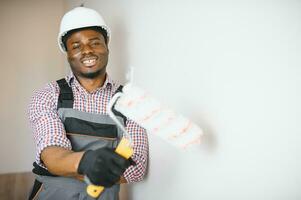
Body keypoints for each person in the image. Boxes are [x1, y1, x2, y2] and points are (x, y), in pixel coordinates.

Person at [27, 7, 148, 200]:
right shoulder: (49, 94)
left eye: (95, 42)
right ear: (67, 53)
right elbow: (51, 155)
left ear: (106, 46)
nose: (87, 51)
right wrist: (86, 162)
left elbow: (137, 167)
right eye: (76, 46)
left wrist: (80, 168)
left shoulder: (129, 101)